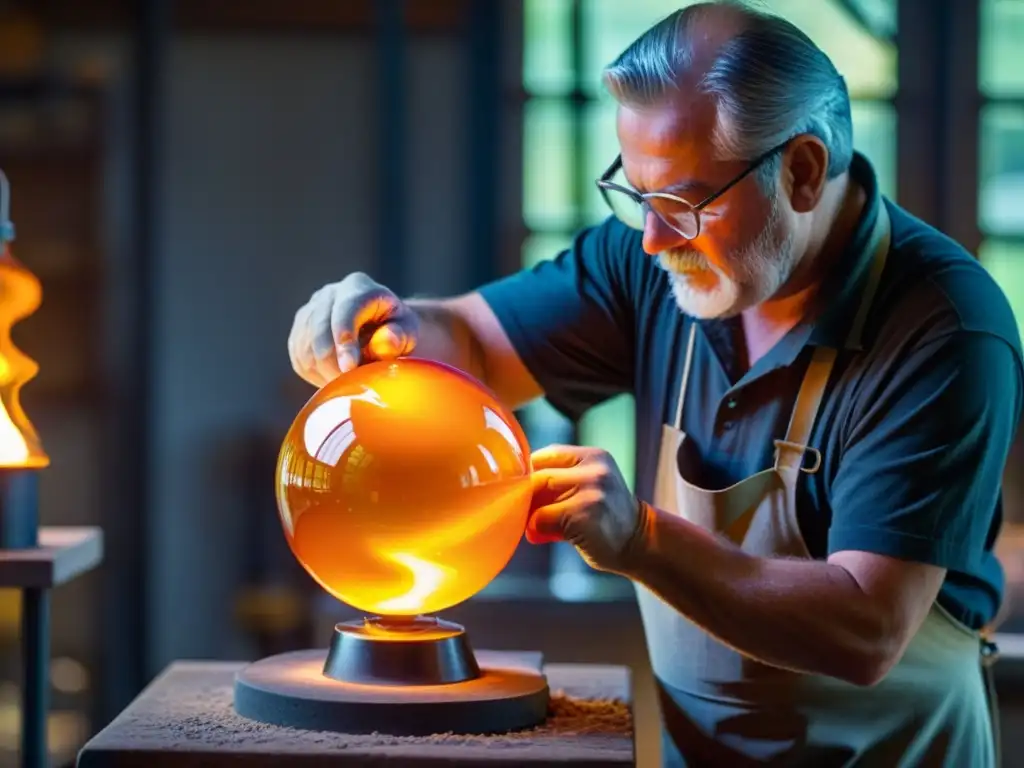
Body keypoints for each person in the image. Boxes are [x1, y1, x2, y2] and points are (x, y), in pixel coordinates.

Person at [287, 2, 1022, 765]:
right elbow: (470, 341)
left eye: (682, 202)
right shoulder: (654, 260)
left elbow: (867, 628)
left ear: (801, 172)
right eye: (635, 193)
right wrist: (384, 324)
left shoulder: (945, 328)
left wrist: (640, 539)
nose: (652, 236)